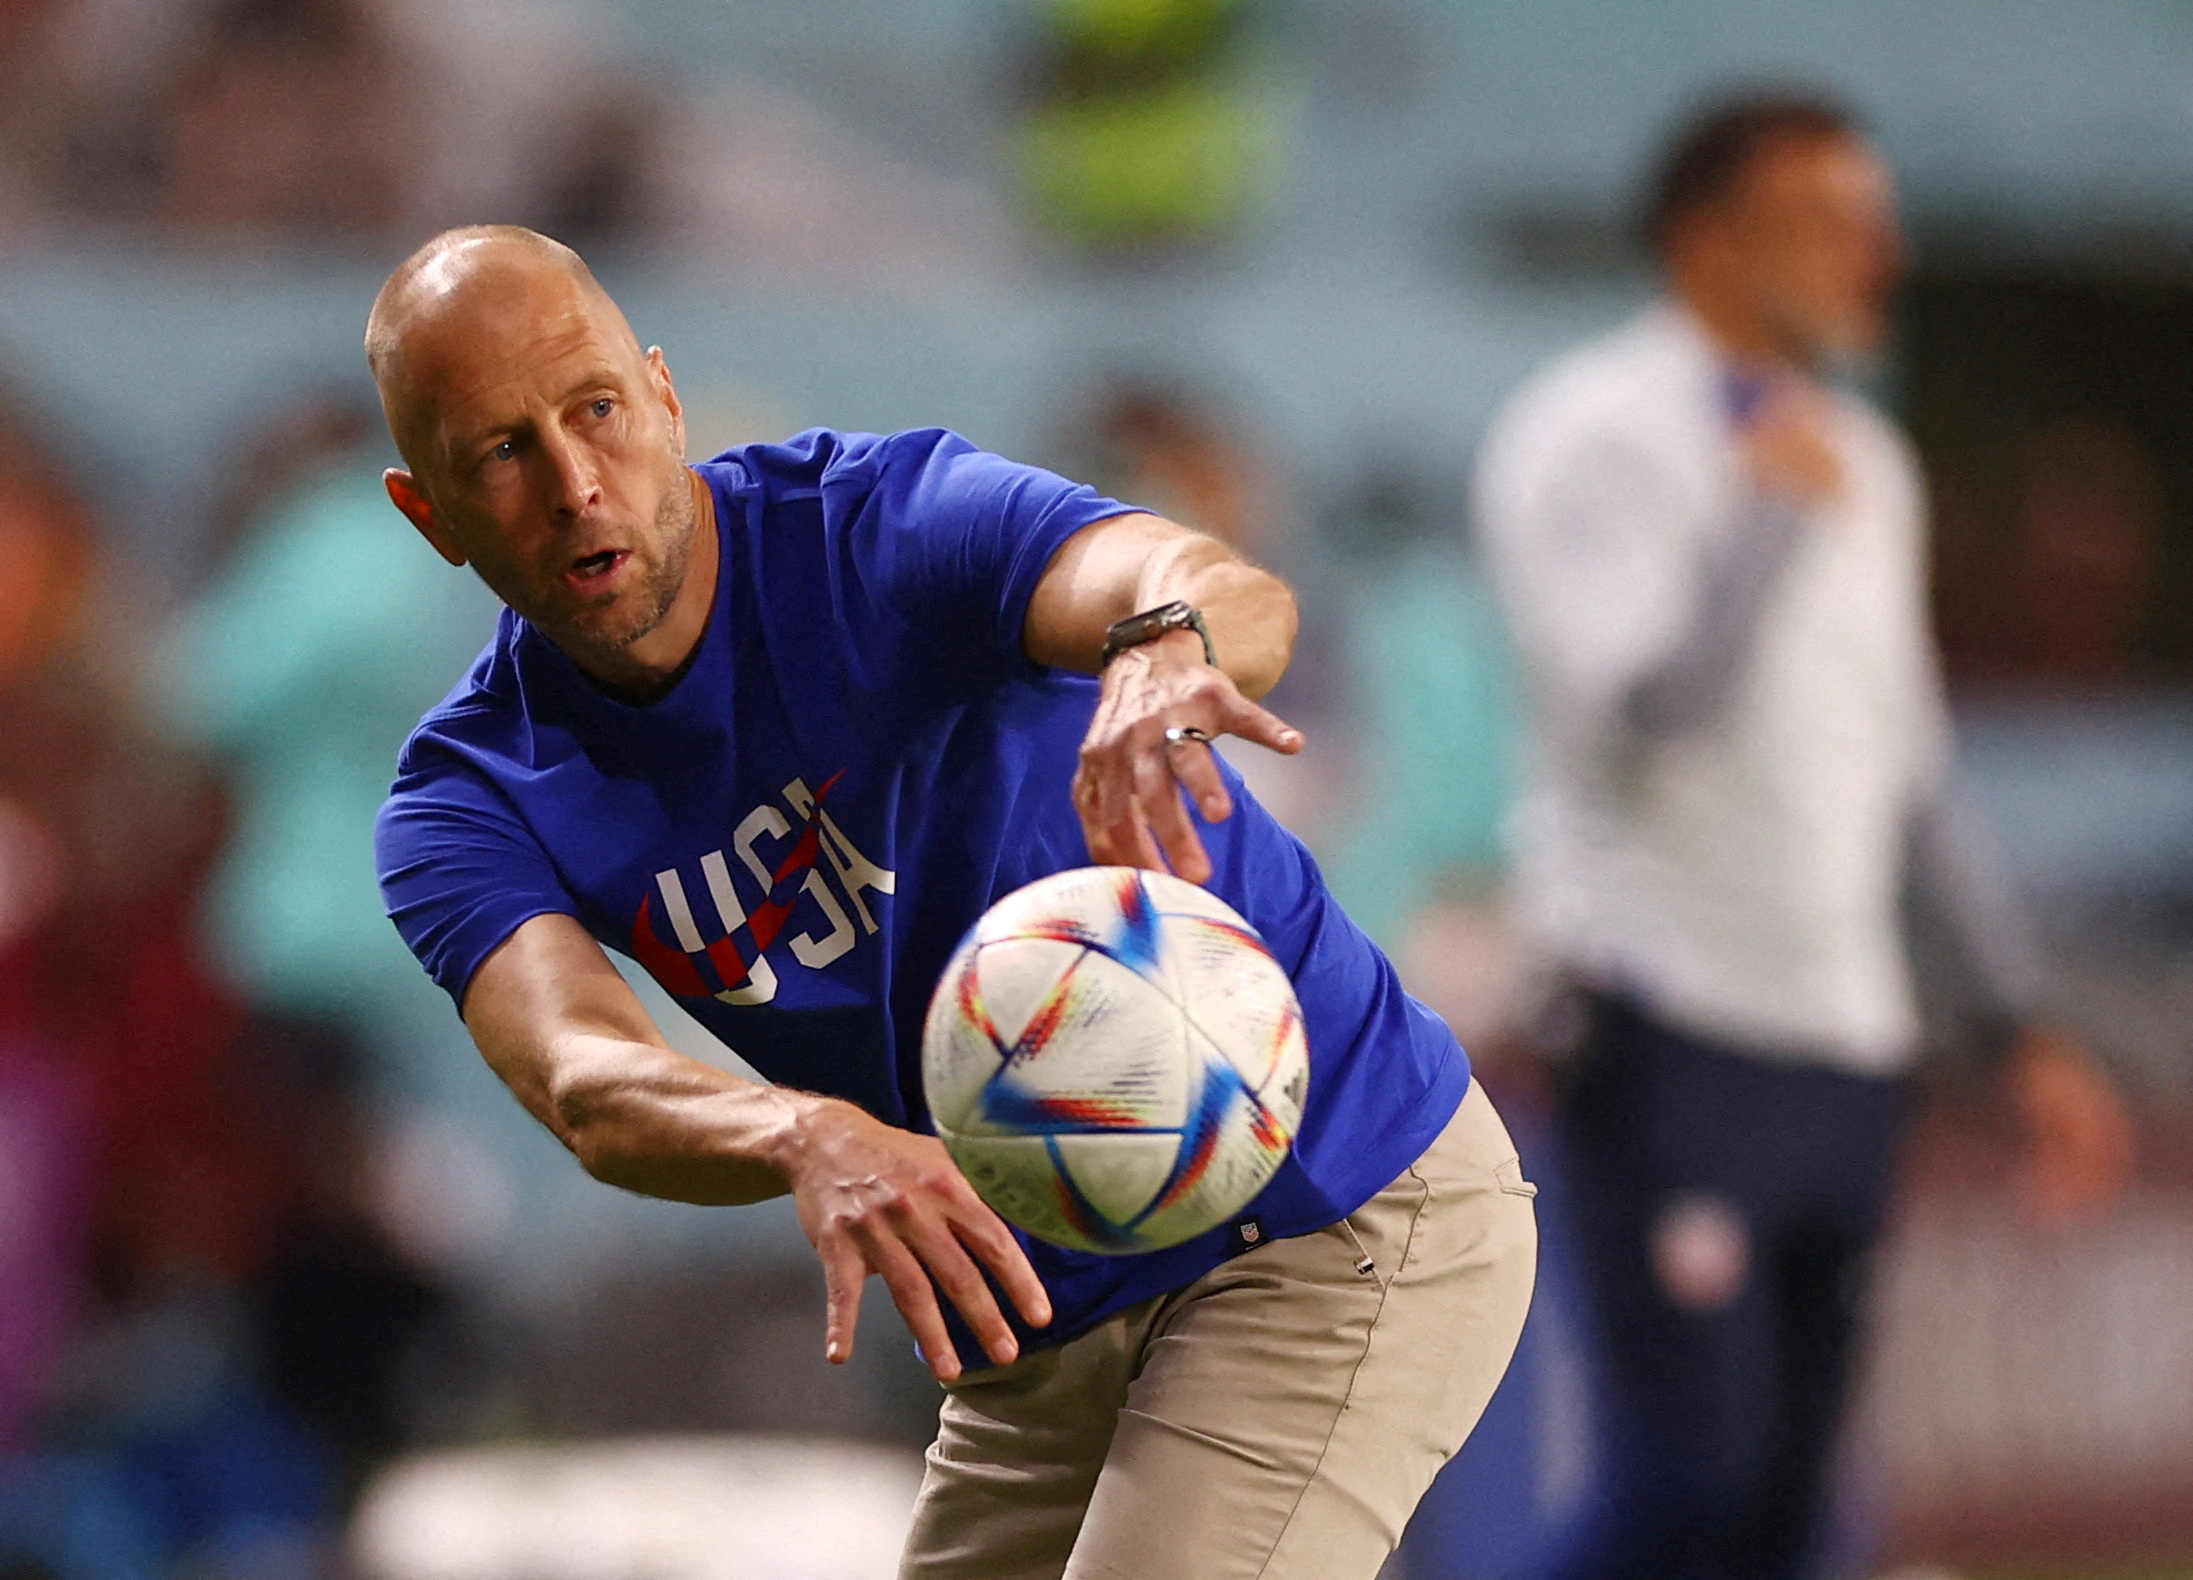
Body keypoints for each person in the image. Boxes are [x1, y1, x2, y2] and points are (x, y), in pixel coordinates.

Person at [363, 225, 1537, 1580]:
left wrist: (1164, 651)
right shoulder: (466, 799)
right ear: (428, 512)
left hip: (1327, 1208)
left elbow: (1188, 578)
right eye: (500, 453)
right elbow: (582, 1076)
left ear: (665, 396)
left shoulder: (875, 528)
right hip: (1041, 1321)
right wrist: (808, 1136)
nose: (573, 483)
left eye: (596, 410)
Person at [1474, 95, 2136, 1579]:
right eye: (1829, 221)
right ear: (1707, 239)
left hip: (1848, 1041)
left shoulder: (1867, 460)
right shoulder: (1588, 432)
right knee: (1685, 1490)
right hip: (1673, 1024)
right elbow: (1639, 712)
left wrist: (2020, 1021)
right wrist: (1761, 524)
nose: (1875, 253)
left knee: (1784, 1517)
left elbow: (1908, 776)